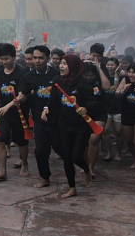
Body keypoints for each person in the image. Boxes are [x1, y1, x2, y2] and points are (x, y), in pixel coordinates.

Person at [43, 54, 95, 198]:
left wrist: (86, 108)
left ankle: (86, 170)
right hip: (64, 124)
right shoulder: (57, 81)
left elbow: (94, 102)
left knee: (76, 156)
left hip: (81, 126)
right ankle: (72, 188)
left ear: (73, 66)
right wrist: (46, 108)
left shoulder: (84, 84)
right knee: (66, 157)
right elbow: (52, 100)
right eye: (61, 63)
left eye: (65, 64)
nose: (61, 66)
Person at [19, 45, 61, 188]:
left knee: (61, 148)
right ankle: (45, 178)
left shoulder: (56, 74)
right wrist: (12, 102)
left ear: (47, 59)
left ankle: (78, 173)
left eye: (40, 58)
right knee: (40, 150)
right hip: (39, 119)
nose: (37, 61)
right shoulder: (29, 76)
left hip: (57, 119)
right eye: (35, 58)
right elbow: (23, 95)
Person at [0, 43, 29, 181]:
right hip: (2, 114)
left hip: (19, 113)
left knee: (21, 142)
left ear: (13, 57)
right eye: (1, 59)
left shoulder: (22, 72)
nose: (3, 62)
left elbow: (22, 96)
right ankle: (2, 171)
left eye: (6, 59)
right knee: (0, 141)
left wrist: (7, 107)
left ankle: (24, 163)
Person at [81, 63, 107, 177]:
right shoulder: (80, 83)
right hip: (84, 114)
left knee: (94, 139)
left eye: (91, 75)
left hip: (99, 114)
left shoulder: (99, 82)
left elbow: (107, 86)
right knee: (84, 142)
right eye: (86, 75)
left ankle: (91, 167)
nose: (88, 78)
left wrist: (99, 68)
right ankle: (86, 165)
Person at [102, 57, 123, 161]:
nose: (109, 67)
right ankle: (109, 152)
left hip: (118, 108)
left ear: (117, 66)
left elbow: (116, 90)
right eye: (108, 65)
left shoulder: (122, 76)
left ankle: (118, 152)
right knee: (105, 131)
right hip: (106, 108)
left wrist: (116, 76)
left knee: (118, 132)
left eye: (112, 65)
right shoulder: (103, 76)